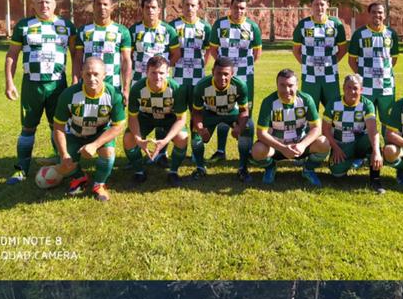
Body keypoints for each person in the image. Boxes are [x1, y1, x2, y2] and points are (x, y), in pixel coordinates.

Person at [5, 0, 72, 184]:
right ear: (33, 5)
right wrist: (9, 82)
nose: (44, 5)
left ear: (55, 4)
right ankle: (21, 168)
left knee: (58, 126)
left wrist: (76, 81)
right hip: (31, 85)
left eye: (48, 2)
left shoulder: (66, 25)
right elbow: (12, 54)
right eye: (40, 2)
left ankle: (61, 162)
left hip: (58, 85)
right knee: (27, 128)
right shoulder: (24, 26)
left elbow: (77, 55)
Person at [51, 56, 128, 202]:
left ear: (104, 75)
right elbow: (58, 127)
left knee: (108, 151)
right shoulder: (69, 95)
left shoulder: (114, 95)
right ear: (81, 74)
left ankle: (99, 184)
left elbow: (118, 126)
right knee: (65, 164)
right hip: (74, 134)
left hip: (99, 134)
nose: (92, 78)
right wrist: (64, 154)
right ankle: (80, 177)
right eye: (88, 74)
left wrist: (95, 145)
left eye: (96, 74)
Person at [251, 68, 330, 186]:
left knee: (324, 143)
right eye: (282, 85)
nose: (287, 90)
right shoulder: (269, 102)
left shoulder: (306, 100)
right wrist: (283, 148)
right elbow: (261, 133)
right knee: (257, 151)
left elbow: (316, 128)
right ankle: (270, 167)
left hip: (299, 146)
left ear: (297, 86)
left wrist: (302, 145)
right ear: (277, 85)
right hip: (276, 147)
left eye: (290, 85)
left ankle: (308, 169)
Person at [207, 0, 262, 157]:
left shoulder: (252, 27)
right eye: (236, 7)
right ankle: (220, 150)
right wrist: (223, 68)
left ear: (246, 10)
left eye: (242, 8)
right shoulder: (220, 24)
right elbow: (213, 49)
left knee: (246, 112)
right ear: (230, 7)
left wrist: (244, 67)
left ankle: (247, 151)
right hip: (224, 78)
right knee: (223, 109)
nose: (239, 11)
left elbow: (257, 52)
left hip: (246, 77)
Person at [125, 55, 190, 184]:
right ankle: (139, 171)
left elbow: (181, 119)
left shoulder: (176, 89)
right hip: (146, 118)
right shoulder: (137, 88)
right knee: (128, 139)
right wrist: (138, 139)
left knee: (182, 137)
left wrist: (165, 140)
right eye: (153, 72)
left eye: (161, 73)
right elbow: (132, 117)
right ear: (146, 72)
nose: (157, 76)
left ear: (168, 73)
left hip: (169, 118)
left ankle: (173, 172)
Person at [189, 56, 253, 179]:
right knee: (194, 128)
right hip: (211, 113)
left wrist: (240, 127)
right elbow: (196, 113)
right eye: (219, 73)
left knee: (248, 127)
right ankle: (200, 168)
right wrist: (201, 128)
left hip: (231, 113)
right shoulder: (202, 86)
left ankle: (243, 168)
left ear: (232, 74)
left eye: (226, 74)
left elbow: (244, 111)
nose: (222, 78)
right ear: (213, 72)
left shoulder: (240, 85)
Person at [322, 73, 384, 192]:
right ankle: (357, 161)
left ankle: (375, 180)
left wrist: (376, 152)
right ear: (343, 88)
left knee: (371, 139)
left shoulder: (367, 104)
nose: (352, 91)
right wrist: (335, 148)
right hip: (341, 144)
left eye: (355, 88)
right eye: (348, 87)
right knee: (337, 173)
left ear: (361, 90)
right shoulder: (333, 103)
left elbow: (372, 129)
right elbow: (325, 130)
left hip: (360, 141)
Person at [292, 0, 348, 110]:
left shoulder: (336, 24)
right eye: (316, 4)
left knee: (334, 110)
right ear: (311, 6)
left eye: (322, 4)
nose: (319, 7)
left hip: (330, 77)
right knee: (310, 111)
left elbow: (343, 49)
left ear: (328, 5)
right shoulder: (303, 25)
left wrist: (331, 62)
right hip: (310, 77)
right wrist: (306, 64)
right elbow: (296, 51)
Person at [72, 0, 133, 99]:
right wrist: (75, 81)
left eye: (105, 4)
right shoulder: (83, 30)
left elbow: (126, 61)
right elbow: (77, 59)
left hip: (113, 86)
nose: (102, 7)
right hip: (88, 85)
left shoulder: (122, 31)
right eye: (98, 4)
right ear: (93, 7)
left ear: (112, 7)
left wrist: (126, 89)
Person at [348, 1, 399, 123]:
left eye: (380, 12)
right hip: (365, 85)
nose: (377, 15)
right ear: (368, 14)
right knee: (364, 119)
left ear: (385, 15)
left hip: (386, 85)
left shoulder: (391, 34)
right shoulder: (359, 34)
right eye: (374, 12)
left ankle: (388, 142)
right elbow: (351, 60)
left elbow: (394, 59)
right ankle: (366, 142)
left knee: (388, 120)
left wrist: (383, 72)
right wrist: (363, 75)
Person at [129, 0, 179, 81]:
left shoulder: (168, 30)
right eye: (147, 7)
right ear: (142, 9)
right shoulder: (133, 30)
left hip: (160, 79)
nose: (150, 10)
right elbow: (128, 55)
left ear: (159, 10)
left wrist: (164, 67)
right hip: (139, 77)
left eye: (153, 7)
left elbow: (176, 54)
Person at [171, 0, 212, 91]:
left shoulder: (205, 27)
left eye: (193, 5)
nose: (190, 8)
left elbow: (209, 50)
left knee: (196, 105)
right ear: (182, 6)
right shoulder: (173, 25)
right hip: (178, 74)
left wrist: (201, 65)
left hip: (198, 75)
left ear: (198, 7)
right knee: (178, 106)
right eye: (187, 5)